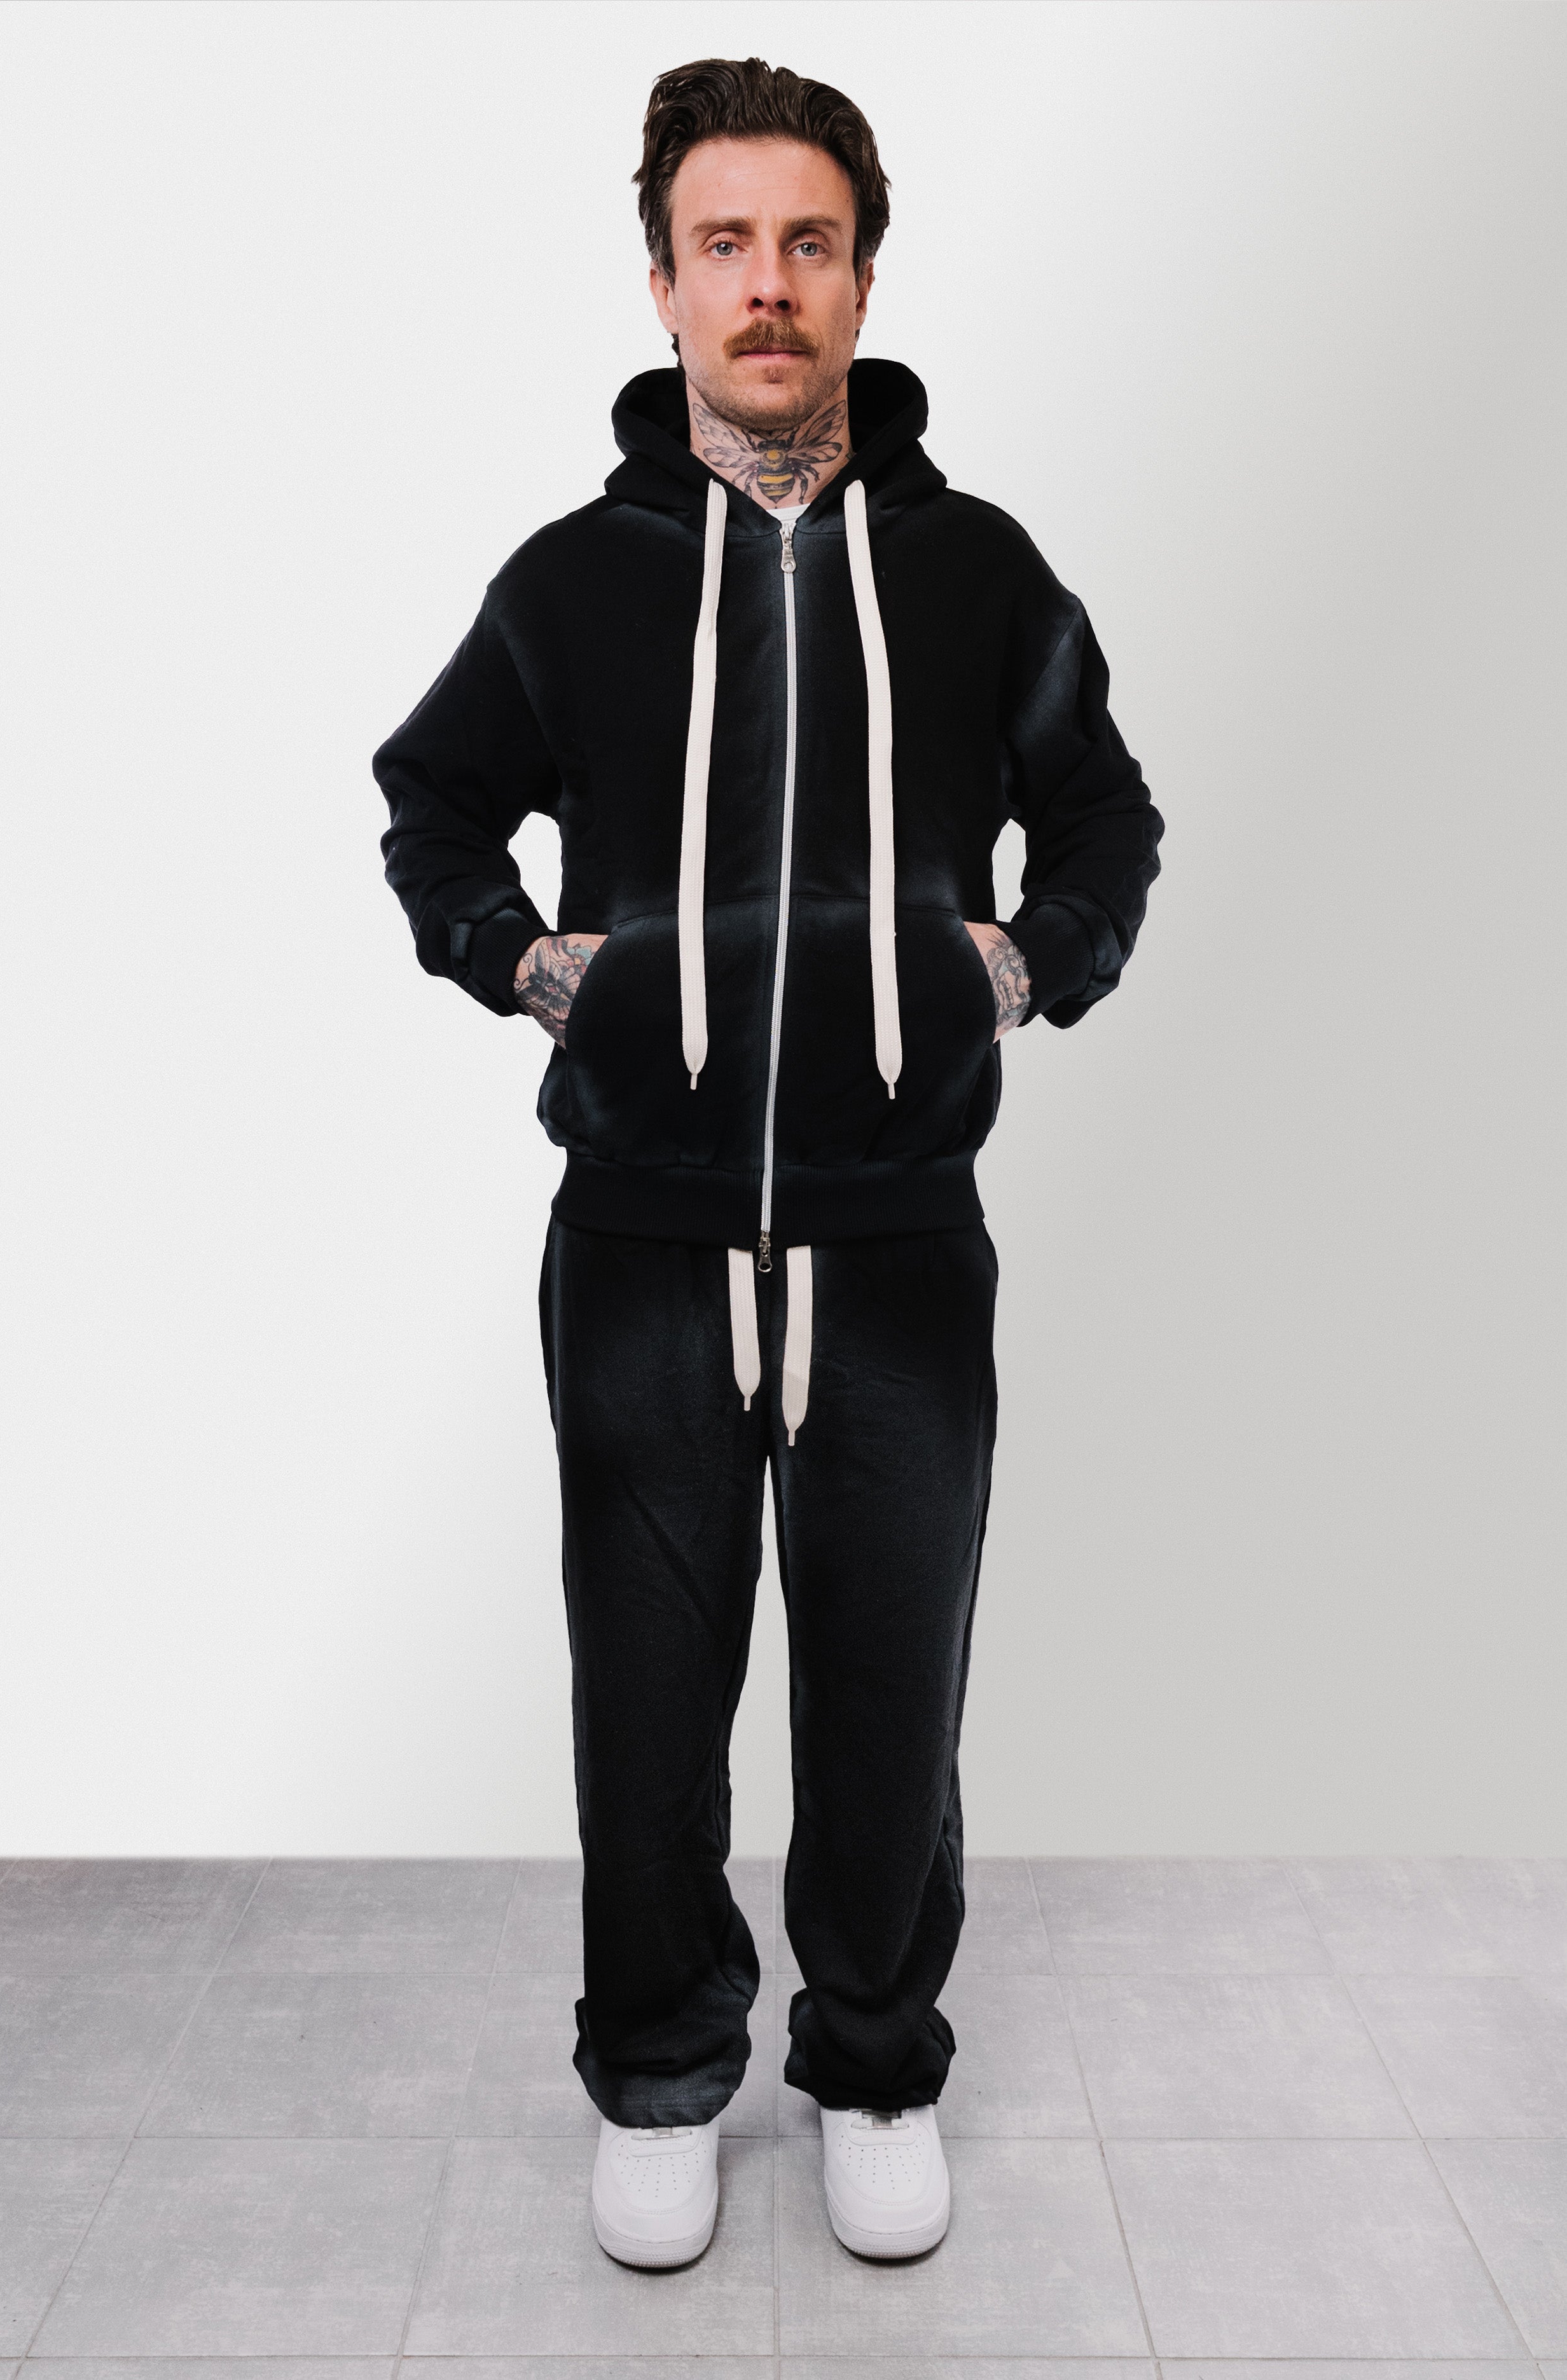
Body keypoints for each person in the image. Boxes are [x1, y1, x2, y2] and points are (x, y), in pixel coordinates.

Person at [375, 55, 1162, 2269]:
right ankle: (657, 2071)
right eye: (721, 243)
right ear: (662, 284)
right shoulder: (573, 583)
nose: (765, 285)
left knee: (890, 1687)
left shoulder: (978, 571)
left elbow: (1104, 815)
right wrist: (530, 965)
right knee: (645, 1689)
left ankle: (874, 2061)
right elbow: (433, 806)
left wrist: (1028, 962)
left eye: (806, 241)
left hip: (898, 1242)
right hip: (640, 1238)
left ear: (862, 279)